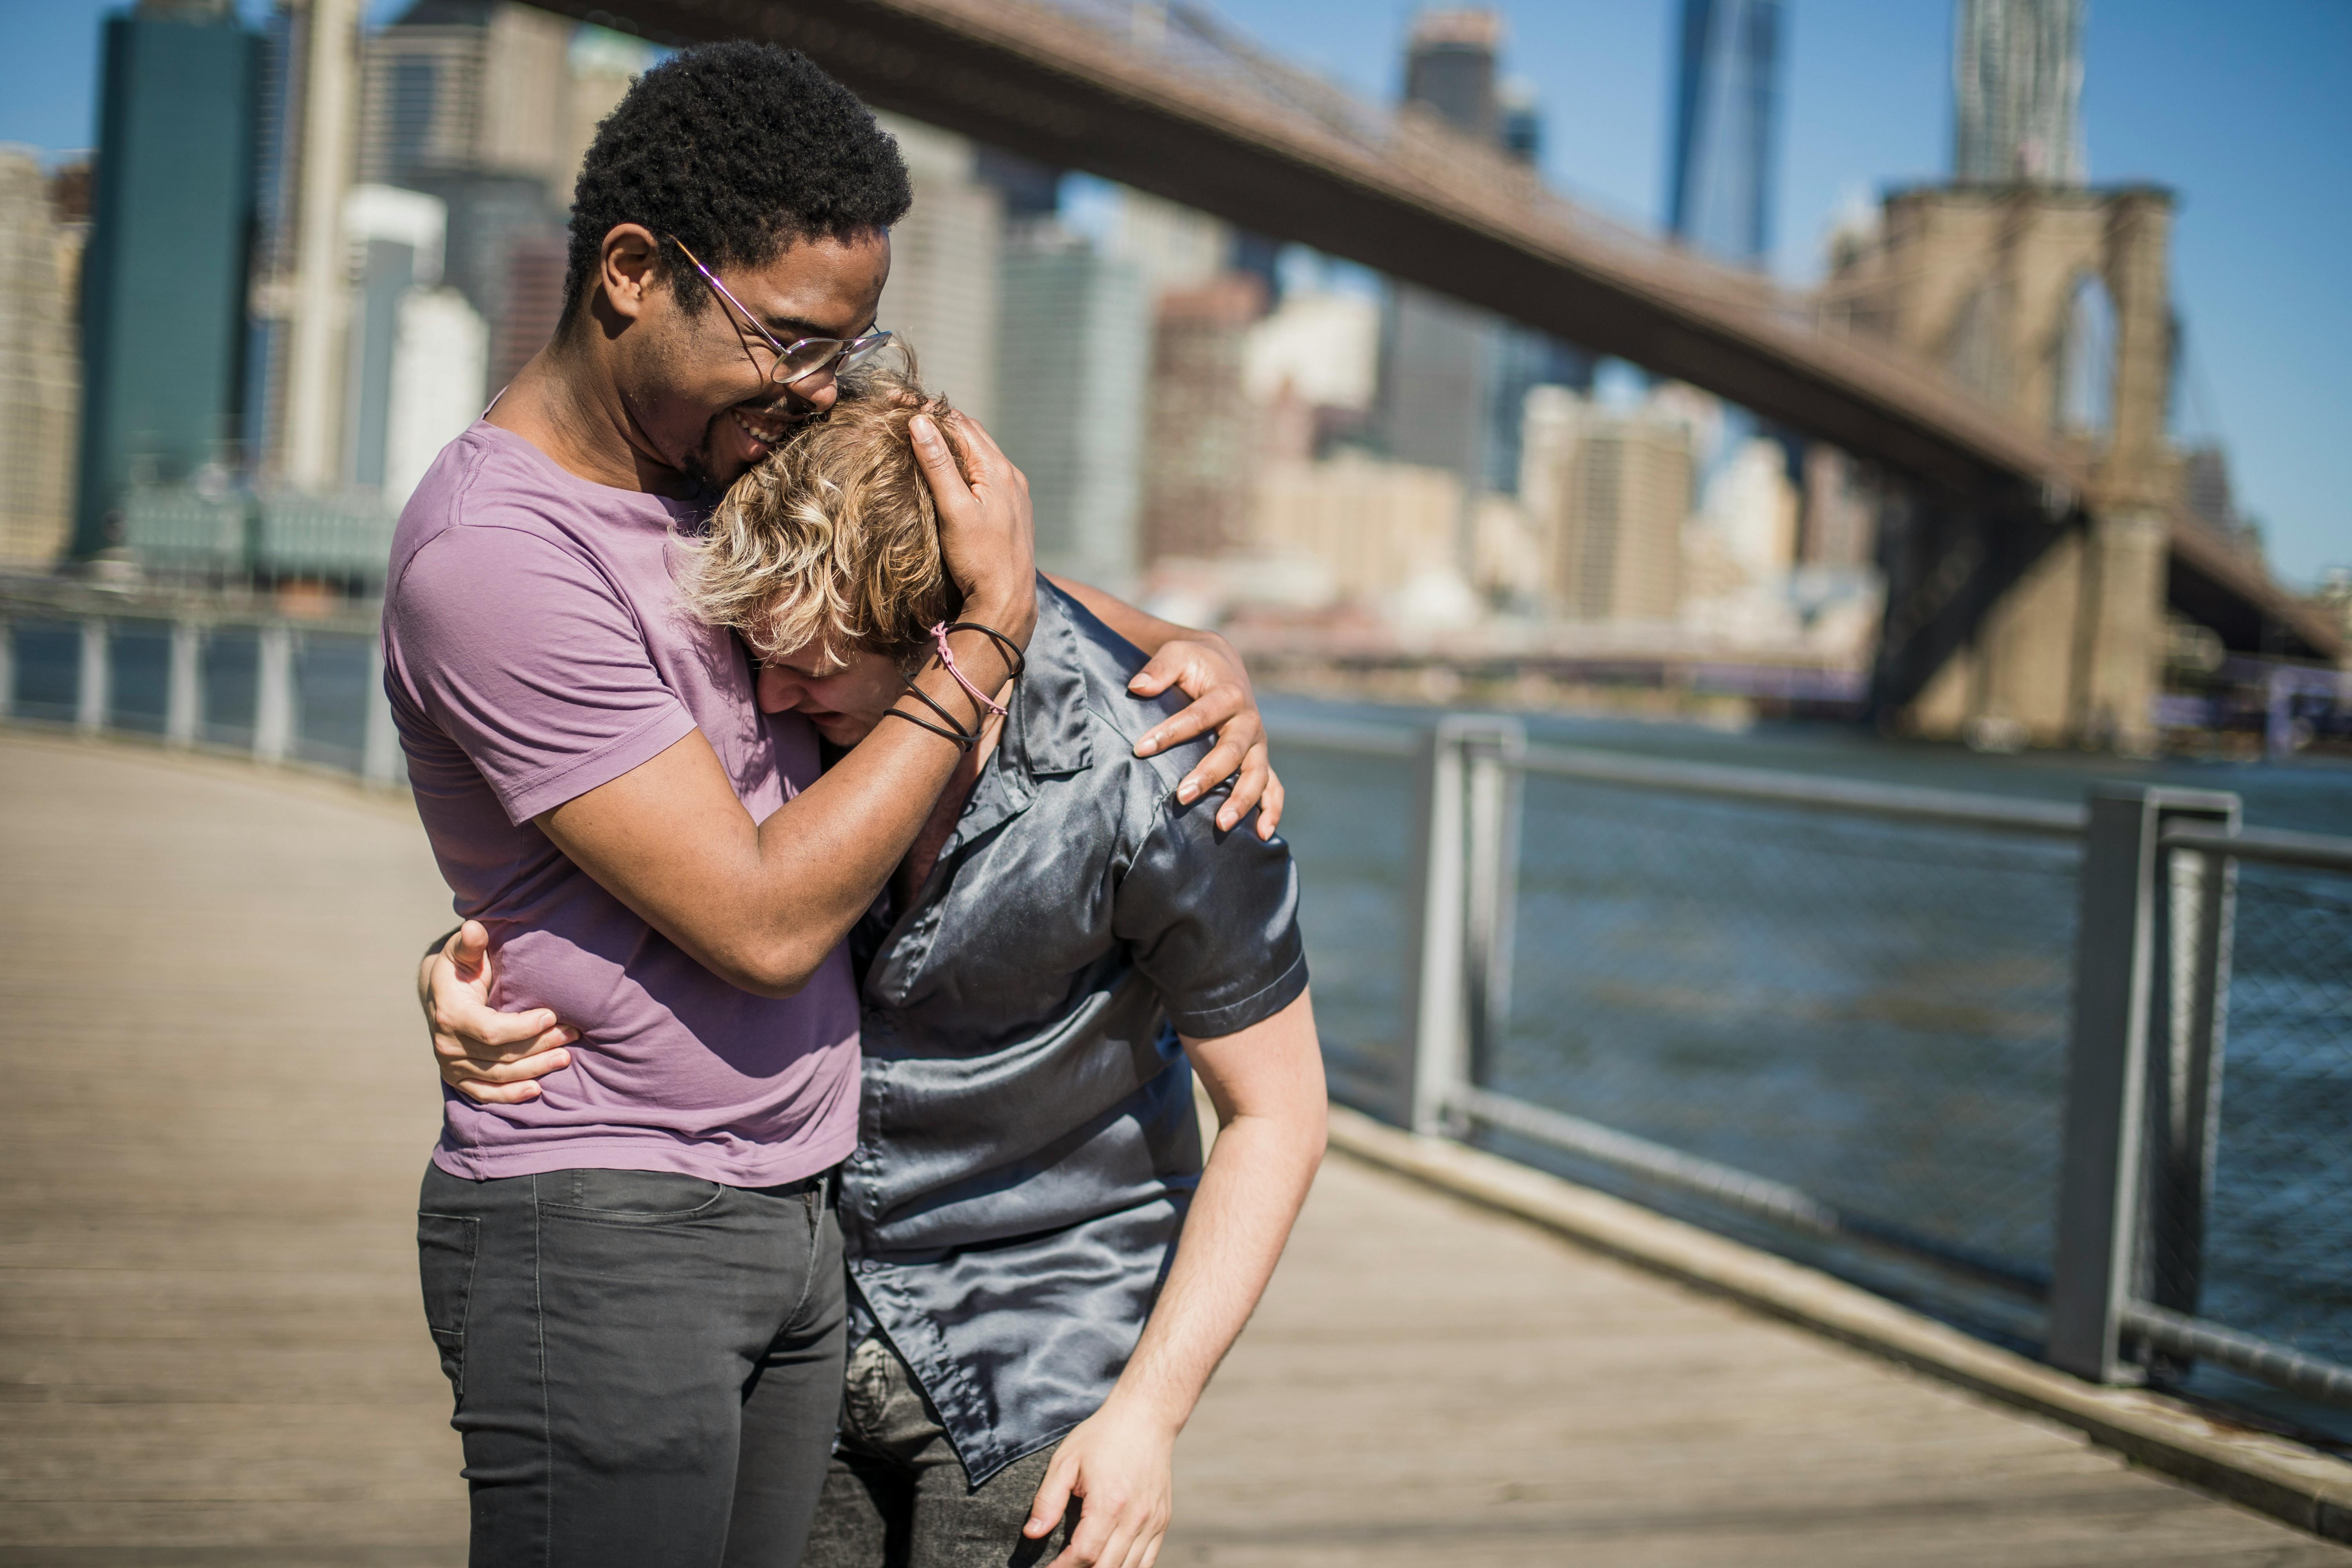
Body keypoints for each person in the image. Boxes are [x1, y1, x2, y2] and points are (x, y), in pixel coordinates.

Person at [386, 44, 1276, 1568]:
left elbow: (927, 579)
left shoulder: (726, 451)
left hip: (807, 1235)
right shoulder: (500, 549)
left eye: (850, 349)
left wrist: (1184, 657)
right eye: (791, 339)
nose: (820, 389)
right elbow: (754, 909)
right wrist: (986, 644)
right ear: (629, 273)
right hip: (613, 1220)